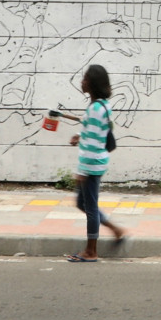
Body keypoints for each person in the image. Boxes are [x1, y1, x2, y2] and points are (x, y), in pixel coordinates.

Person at [60, 64, 125, 262]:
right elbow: (96, 131)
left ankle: (91, 251)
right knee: (82, 203)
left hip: (91, 164)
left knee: (90, 207)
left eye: (86, 79)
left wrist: (83, 171)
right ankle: (115, 230)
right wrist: (80, 135)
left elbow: (95, 143)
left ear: (93, 84)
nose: (82, 82)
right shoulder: (101, 105)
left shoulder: (96, 109)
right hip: (94, 162)